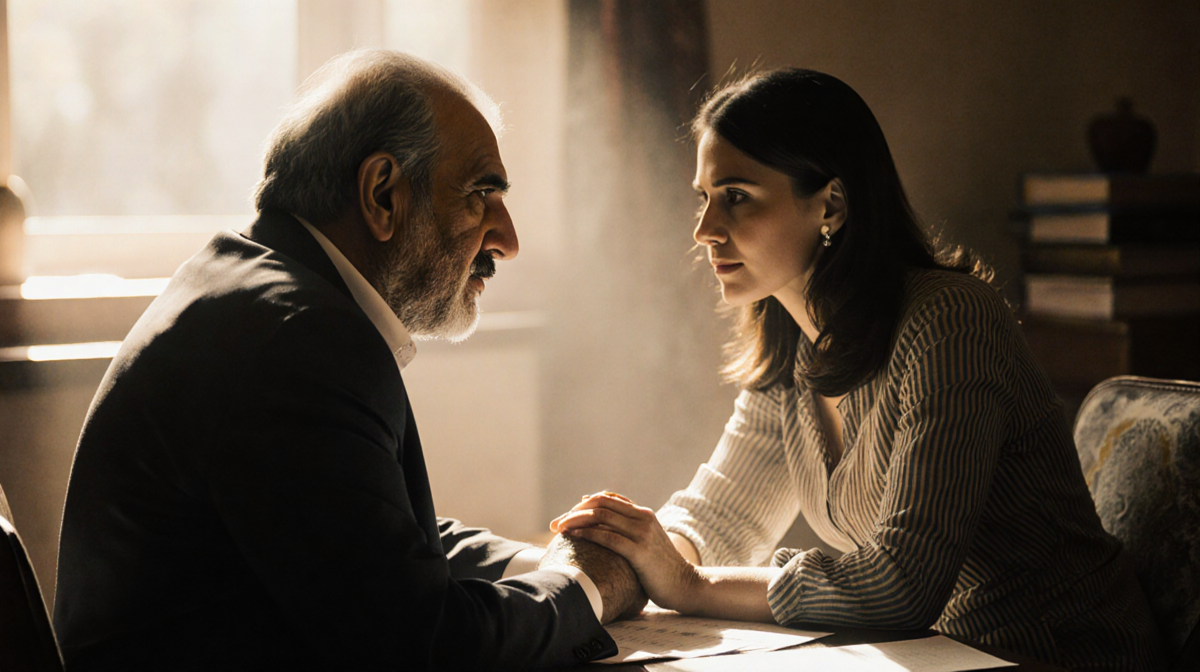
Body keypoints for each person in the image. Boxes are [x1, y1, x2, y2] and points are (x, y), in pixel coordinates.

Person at [551, 68, 1165, 671]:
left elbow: (904, 585)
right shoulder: (791, 351)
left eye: (736, 197)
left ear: (833, 206)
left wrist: (687, 582)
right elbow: (721, 518)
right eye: (705, 199)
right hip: (936, 656)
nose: (705, 229)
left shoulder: (951, 322)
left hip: (1061, 653)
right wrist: (626, 552)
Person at [53, 50, 643, 671]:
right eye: (481, 194)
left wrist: (549, 558)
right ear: (383, 193)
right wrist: (587, 588)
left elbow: (359, 536)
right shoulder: (302, 341)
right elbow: (428, 647)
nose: (508, 239)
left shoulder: (245, 287)